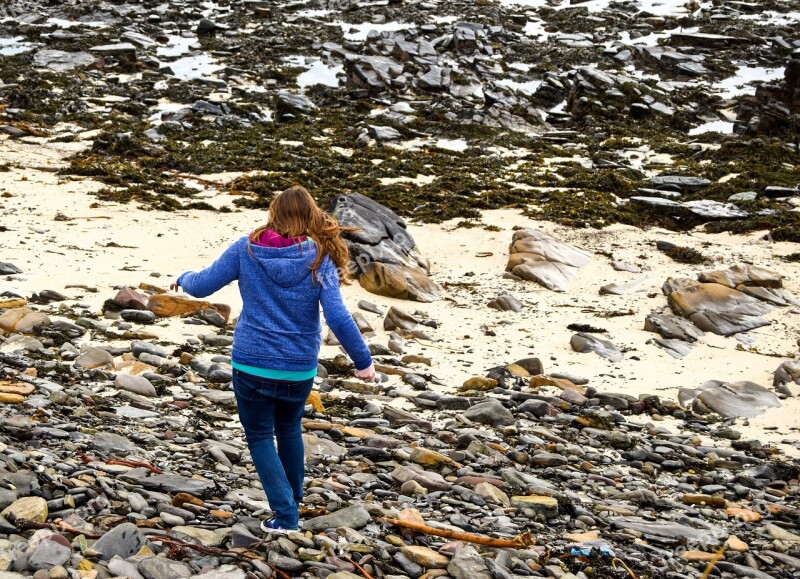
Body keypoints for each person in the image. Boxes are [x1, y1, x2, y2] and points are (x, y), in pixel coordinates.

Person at [172, 185, 376, 533]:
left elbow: (203, 284)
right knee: (288, 428)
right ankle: (290, 502)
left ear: (274, 214)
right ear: (311, 216)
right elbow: (338, 317)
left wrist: (182, 278)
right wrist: (363, 362)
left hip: (252, 362)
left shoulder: (247, 248)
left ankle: (285, 516)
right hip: (298, 366)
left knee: (260, 436)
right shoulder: (319, 255)